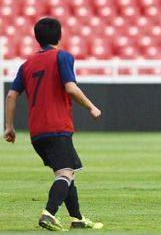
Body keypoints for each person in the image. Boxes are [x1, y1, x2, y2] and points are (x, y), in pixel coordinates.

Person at [3, 17, 103, 231]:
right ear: (60, 35)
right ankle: (49, 213)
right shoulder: (62, 56)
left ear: (37, 39)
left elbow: (11, 96)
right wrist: (91, 107)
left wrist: (9, 127)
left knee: (67, 173)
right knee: (66, 172)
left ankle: (77, 219)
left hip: (37, 132)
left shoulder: (27, 64)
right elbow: (70, 87)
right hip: (57, 127)